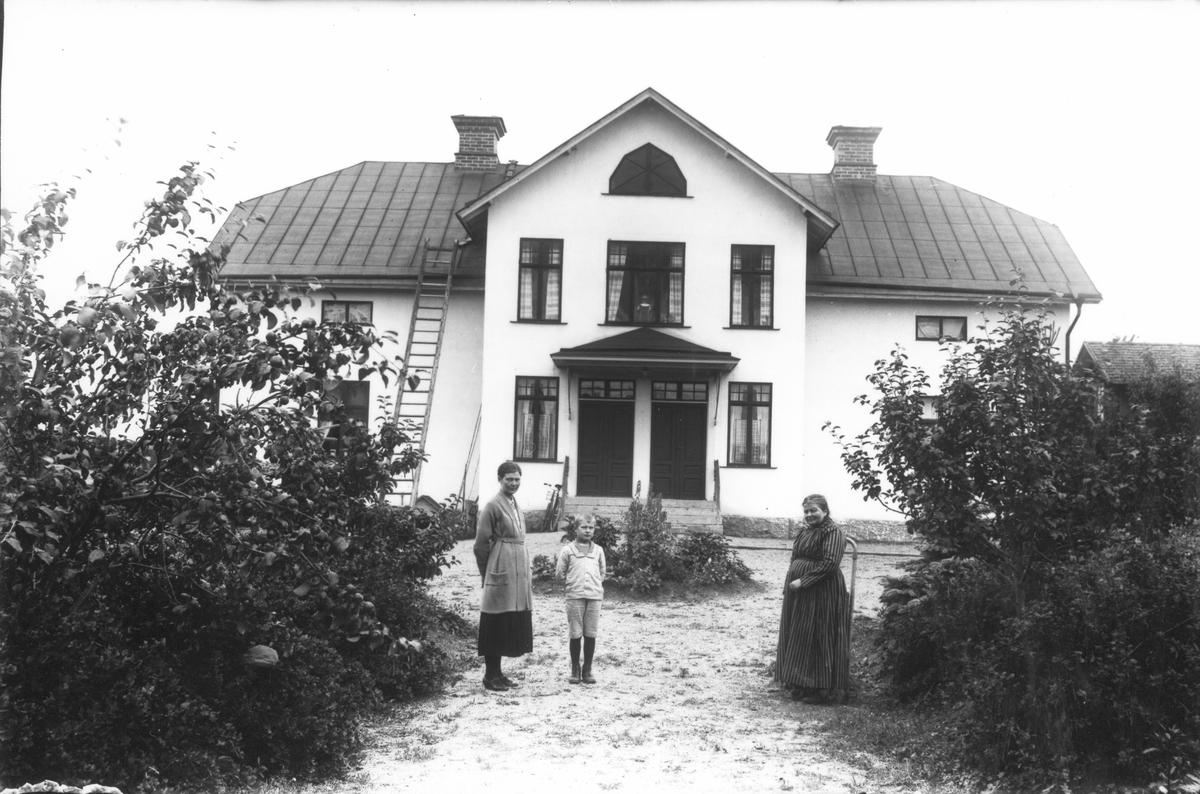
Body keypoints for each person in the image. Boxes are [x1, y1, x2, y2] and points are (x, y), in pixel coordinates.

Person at [775, 494, 850, 705]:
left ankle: (820, 689)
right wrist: (789, 585)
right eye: (806, 511)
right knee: (798, 634)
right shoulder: (805, 531)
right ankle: (799, 683)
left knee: (818, 634)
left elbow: (830, 563)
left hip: (822, 590)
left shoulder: (832, 532)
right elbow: (794, 559)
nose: (809, 515)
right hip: (800, 591)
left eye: (813, 510)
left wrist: (804, 580)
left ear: (825, 511)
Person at [473, 461, 534, 691]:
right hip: (500, 565)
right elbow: (480, 545)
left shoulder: (514, 504)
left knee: (508, 619)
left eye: (517, 479)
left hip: (517, 569)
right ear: (499, 479)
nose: (514, 483)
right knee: (495, 620)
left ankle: (498, 673)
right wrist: (486, 573)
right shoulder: (492, 506)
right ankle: (490, 675)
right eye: (509, 479)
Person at [554, 513, 607, 684]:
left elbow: (602, 572)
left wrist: (594, 586)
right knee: (575, 633)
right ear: (575, 529)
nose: (588, 530)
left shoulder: (598, 550)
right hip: (575, 596)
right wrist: (572, 585)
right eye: (584, 527)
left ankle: (587, 669)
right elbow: (560, 574)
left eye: (591, 527)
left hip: (594, 597)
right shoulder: (568, 550)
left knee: (590, 633)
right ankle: (575, 668)